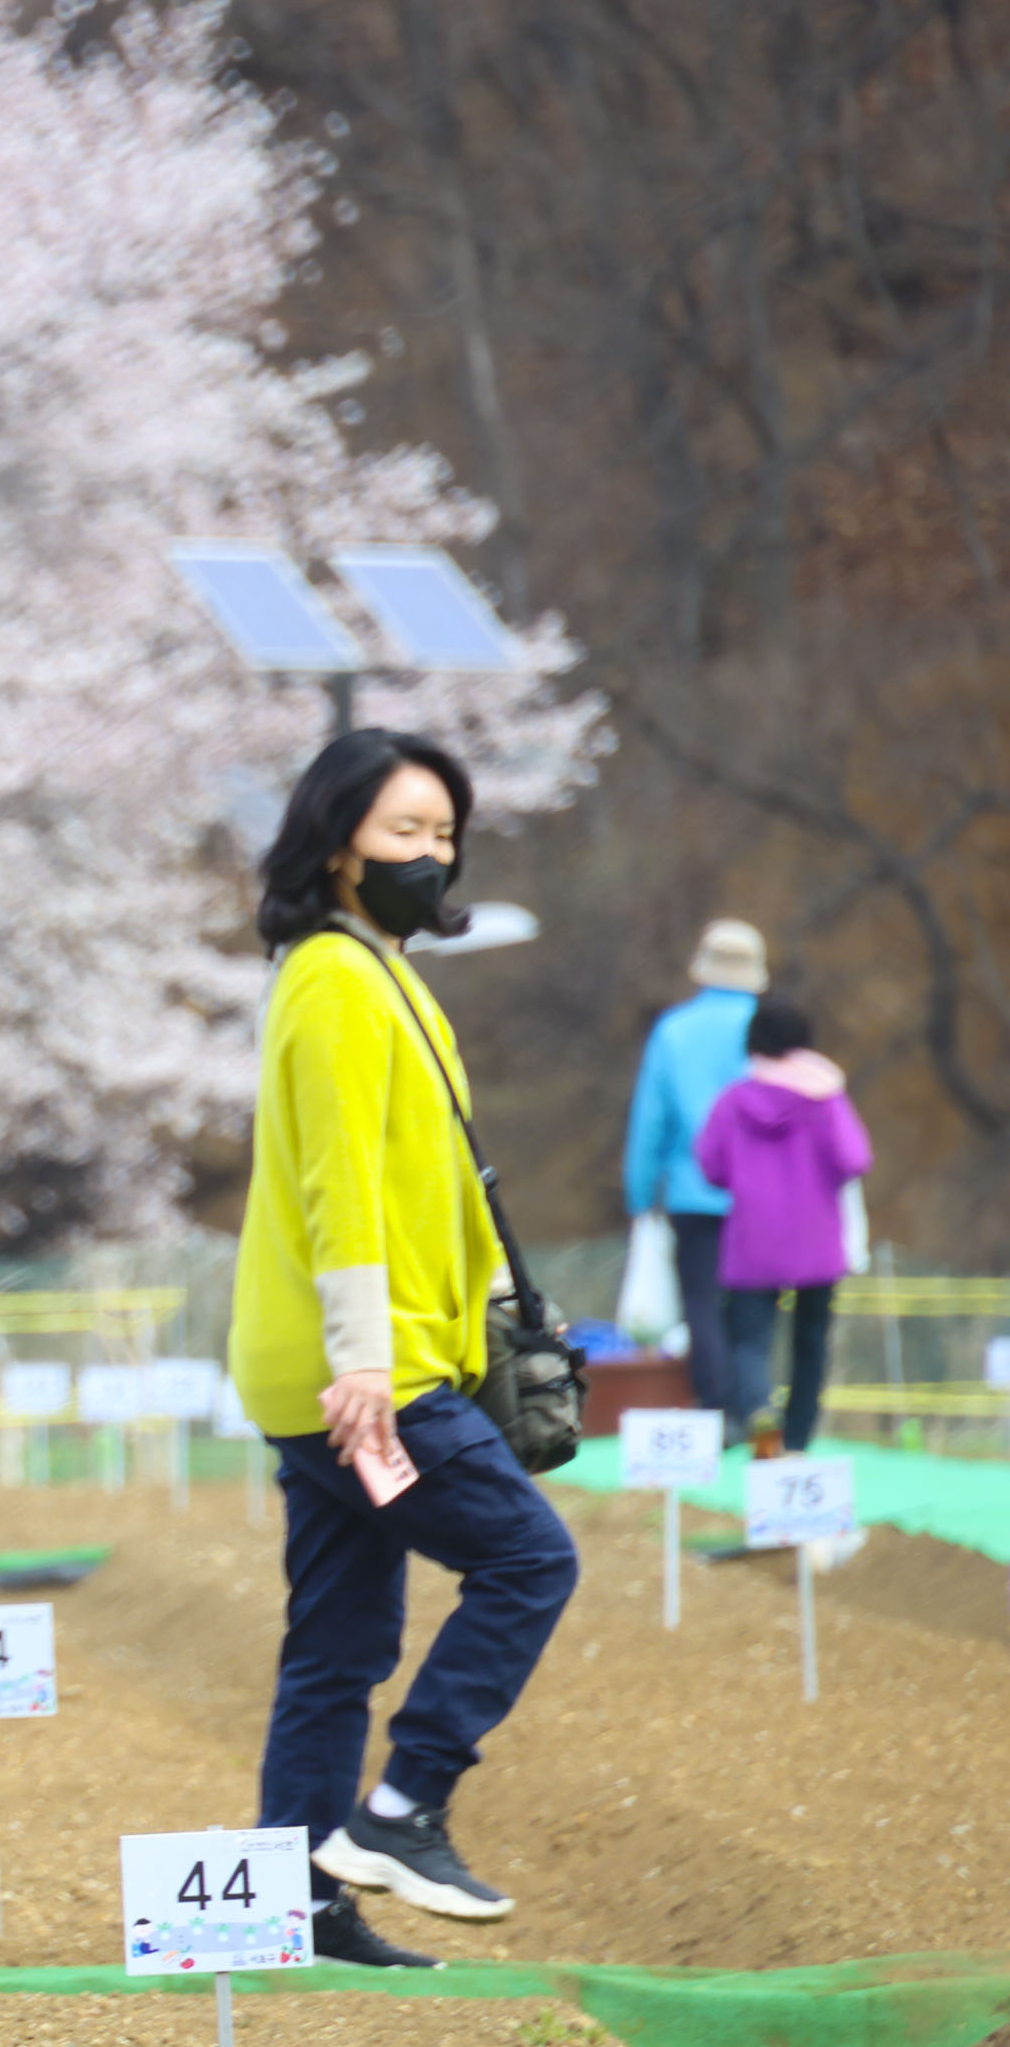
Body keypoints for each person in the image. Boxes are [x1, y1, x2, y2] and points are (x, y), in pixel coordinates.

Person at [228, 728, 579, 1967]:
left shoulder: (385, 977)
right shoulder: (331, 980)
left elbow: (431, 1184)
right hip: (364, 1378)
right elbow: (342, 1188)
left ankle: (299, 1904)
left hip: (349, 1365)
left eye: (444, 836)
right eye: (404, 836)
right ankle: (403, 1808)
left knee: (336, 1643)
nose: (432, 857)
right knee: (531, 1561)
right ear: (336, 850)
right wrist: (367, 1363)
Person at [692, 994, 870, 1460]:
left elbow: (710, 1165)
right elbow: (855, 1158)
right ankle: (798, 1438)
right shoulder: (824, 1099)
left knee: (749, 1340)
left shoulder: (733, 1101)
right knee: (811, 1343)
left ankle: (758, 1411)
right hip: (817, 1241)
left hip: (753, 1239)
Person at [623, 918, 767, 1417]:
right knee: (752, 1312)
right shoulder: (770, 1028)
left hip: (692, 1191)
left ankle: (715, 1406)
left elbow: (651, 1120)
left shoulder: (674, 1030)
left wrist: (641, 1195)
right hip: (763, 1196)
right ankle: (754, 1411)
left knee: (701, 1305)